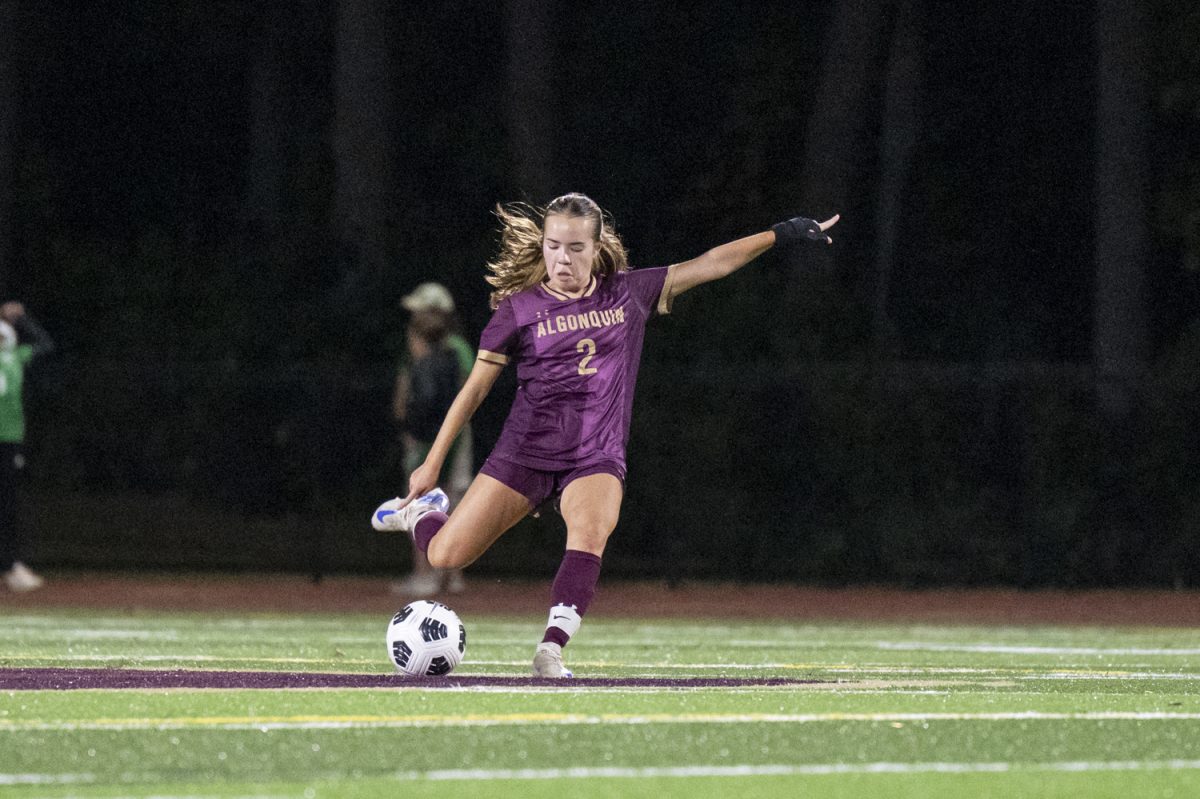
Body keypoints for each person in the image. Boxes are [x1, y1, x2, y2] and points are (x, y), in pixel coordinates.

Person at [372, 193, 838, 676]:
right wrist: (432, 464)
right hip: (525, 452)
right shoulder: (519, 309)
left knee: (592, 530)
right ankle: (425, 515)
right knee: (447, 553)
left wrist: (781, 233)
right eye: (553, 245)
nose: (561, 258)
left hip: (595, 453)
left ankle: (550, 649)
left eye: (575, 247)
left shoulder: (629, 292)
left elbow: (710, 264)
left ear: (597, 249)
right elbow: (472, 393)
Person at [387, 282, 474, 595]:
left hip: (440, 435)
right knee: (444, 500)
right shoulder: (432, 349)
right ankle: (443, 575)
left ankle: (437, 574)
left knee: (435, 500)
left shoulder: (448, 350)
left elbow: (466, 395)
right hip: (442, 433)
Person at [0, 301, 55, 592]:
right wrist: (19, 320)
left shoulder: (15, 357)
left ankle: (10, 565)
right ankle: (10, 566)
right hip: (7, 439)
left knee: (8, 506)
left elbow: (45, 344)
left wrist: (20, 320)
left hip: (8, 439)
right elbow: (44, 343)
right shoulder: (14, 357)